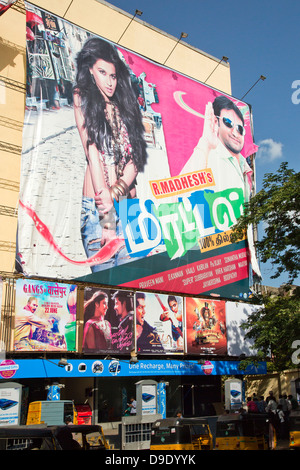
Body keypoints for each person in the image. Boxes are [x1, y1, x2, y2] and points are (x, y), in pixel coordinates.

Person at [73, 37, 147, 272]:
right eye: (102, 72)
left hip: (129, 208)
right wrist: (108, 221)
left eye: (113, 75)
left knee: (130, 294)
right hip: (99, 209)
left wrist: (118, 189)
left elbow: (135, 158)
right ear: (90, 71)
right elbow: (93, 155)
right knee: (104, 294)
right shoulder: (82, 97)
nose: (109, 81)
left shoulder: (126, 107)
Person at [181, 95, 252, 203]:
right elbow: (181, 195)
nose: (235, 133)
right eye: (228, 123)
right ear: (216, 122)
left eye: (240, 128)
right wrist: (206, 143)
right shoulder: (210, 156)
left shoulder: (245, 167)